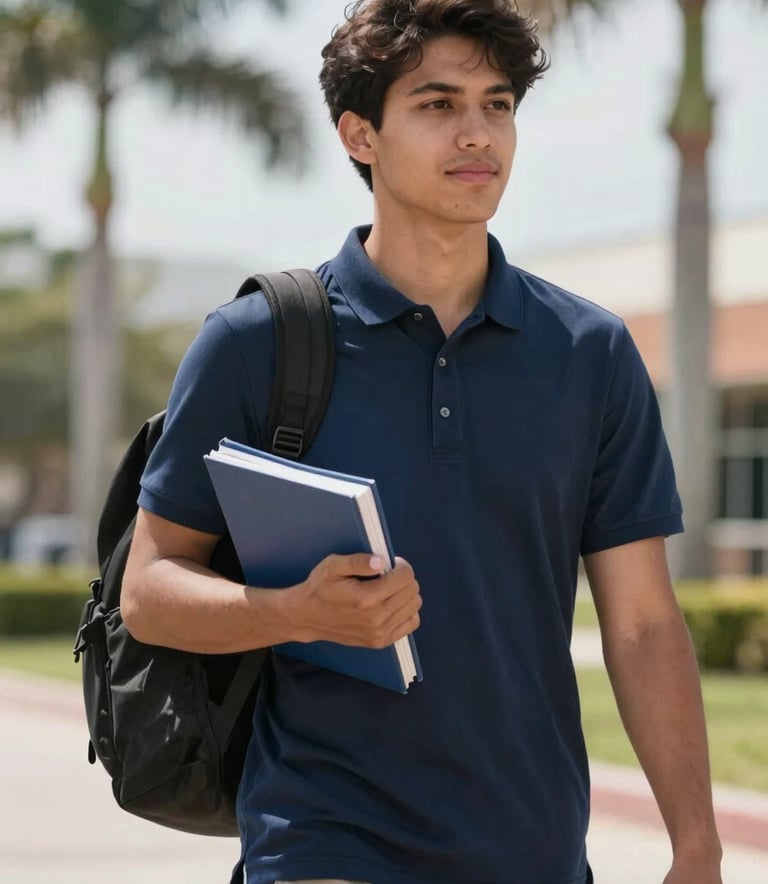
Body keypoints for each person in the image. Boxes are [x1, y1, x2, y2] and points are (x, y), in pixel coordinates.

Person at [122, 1, 723, 882]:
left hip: (534, 847)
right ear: (359, 135)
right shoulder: (258, 342)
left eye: (498, 105)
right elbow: (149, 589)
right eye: (438, 105)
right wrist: (294, 612)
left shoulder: (588, 353)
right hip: (322, 836)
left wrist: (697, 844)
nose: (477, 134)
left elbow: (639, 624)